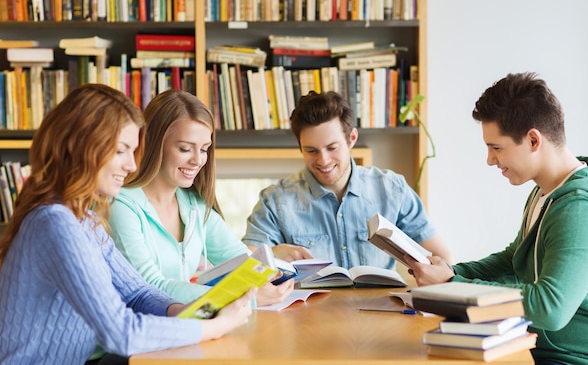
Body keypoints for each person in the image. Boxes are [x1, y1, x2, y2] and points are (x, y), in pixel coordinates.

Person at [0, 84, 256, 364]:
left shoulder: (84, 218)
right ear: (84, 147)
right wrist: (214, 326)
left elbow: (138, 293)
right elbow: (121, 332)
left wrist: (194, 310)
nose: (132, 166)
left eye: (132, 152)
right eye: (121, 151)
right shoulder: (55, 223)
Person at [407, 72, 588, 364]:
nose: (490, 160)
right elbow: (514, 260)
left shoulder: (582, 210)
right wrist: (453, 273)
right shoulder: (546, 193)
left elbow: (550, 307)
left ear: (533, 140)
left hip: (581, 359)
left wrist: (452, 285)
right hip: (542, 349)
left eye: (496, 148)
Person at [107, 89, 293, 307]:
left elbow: (241, 260)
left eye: (204, 149)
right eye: (185, 149)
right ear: (154, 143)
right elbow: (149, 287)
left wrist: (271, 273)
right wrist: (242, 297)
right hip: (139, 331)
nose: (197, 160)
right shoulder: (121, 205)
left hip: (182, 326)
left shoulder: (194, 204)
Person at [242, 91, 453, 270]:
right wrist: (273, 254)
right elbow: (247, 266)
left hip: (380, 313)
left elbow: (443, 258)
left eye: (332, 148)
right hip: (308, 316)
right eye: (311, 151)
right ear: (300, 147)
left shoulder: (392, 189)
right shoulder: (275, 200)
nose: (323, 160)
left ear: (351, 138)